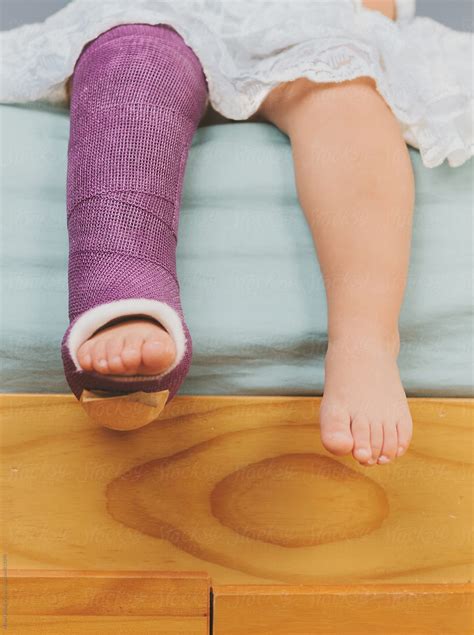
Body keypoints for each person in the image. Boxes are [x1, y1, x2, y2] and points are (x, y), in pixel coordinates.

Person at [1, 0, 471, 465]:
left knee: (343, 88)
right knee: (131, 68)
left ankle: (365, 343)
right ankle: (123, 287)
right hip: (167, 13)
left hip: (304, 23)